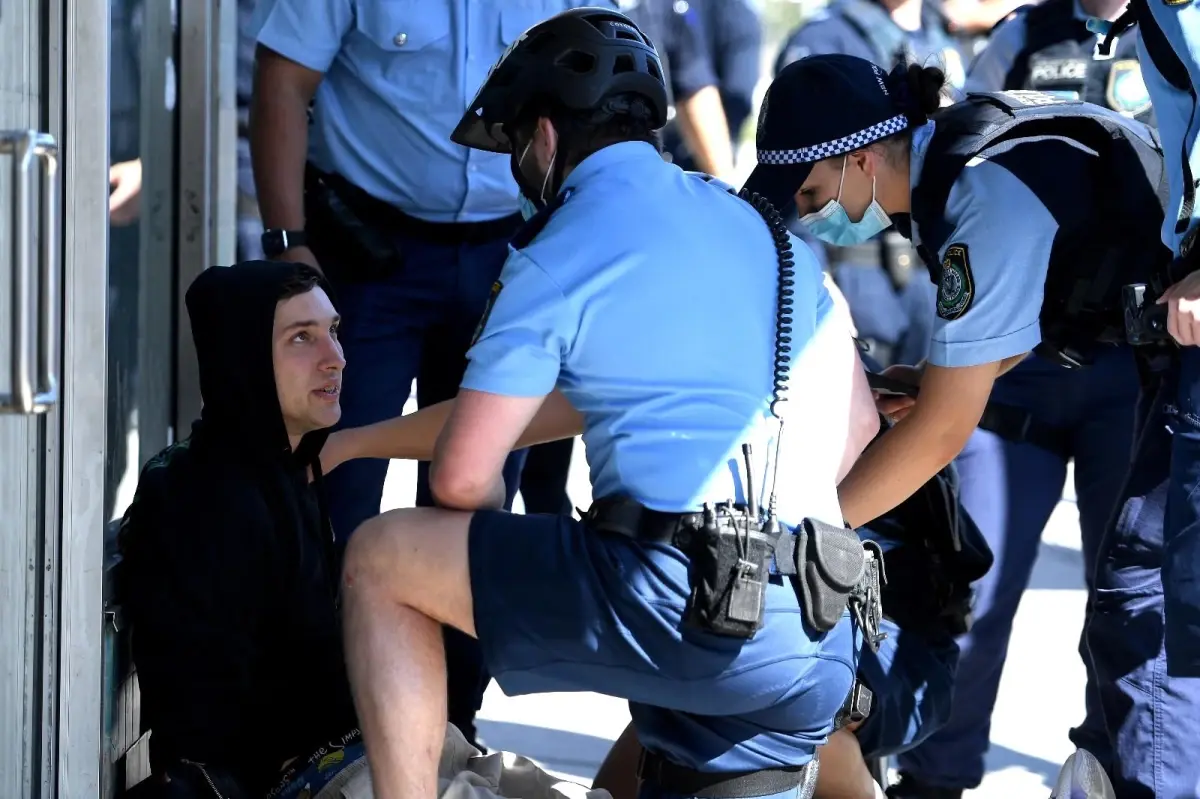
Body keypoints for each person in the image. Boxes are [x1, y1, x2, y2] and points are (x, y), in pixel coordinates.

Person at [332, 8, 883, 799]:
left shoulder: (561, 246)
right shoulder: (764, 231)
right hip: (819, 628)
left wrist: (482, 546)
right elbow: (858, 429)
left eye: (515, 149)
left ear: (545, 137)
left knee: (382, 557)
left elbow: (461, 478)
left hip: (679, 604)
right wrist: (359, 442)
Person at [742, 53, 1192, 796]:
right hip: (1145, 351)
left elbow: (943, 434)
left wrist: (806, 536)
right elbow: (1032, 304)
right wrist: (938, 379)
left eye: (812, 193)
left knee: (1137, 604)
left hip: (1166, 369)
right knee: (1131, 608)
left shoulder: (979, 191)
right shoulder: (960, 152)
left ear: (861, 160)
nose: (812, 214)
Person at [247, 0, 609, 746]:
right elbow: (283, 78)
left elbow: (610, 101)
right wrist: (287, 243)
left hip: (511, 250)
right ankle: (322, 731)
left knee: (476, 496)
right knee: (335, 481)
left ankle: (451, 727)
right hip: (366, 251)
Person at [883, 3, 1147, 793]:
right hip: (1014, 362)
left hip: (1131, 365)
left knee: (1130, 604)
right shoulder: (1022, 35)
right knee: (968, 587)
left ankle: (1121, 771)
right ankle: (933, 774)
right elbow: (965, 156)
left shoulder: (1175, 34)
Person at [117, 261, 362, 797]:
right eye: (302, 338)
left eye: (334, 331)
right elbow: (206, 719)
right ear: (243, 358)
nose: (336, 358)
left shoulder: (284, 470)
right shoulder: (202, 495)